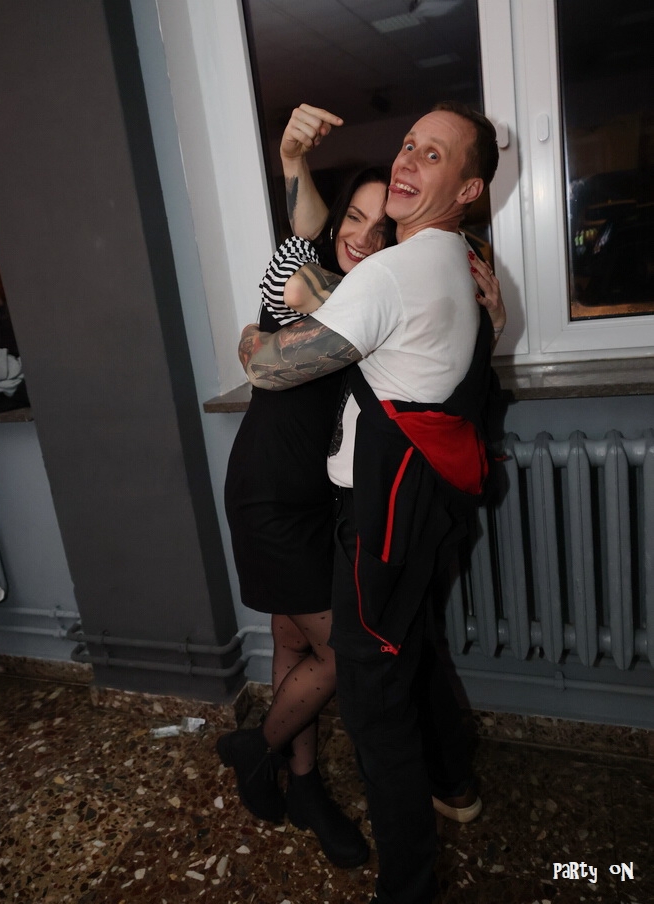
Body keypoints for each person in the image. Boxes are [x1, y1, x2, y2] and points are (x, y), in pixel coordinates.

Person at [238, 101, 502, 904]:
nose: (408, 161)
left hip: (361, 504)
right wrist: (292, 164)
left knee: (358, 676)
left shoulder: (386, 278)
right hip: (290, 488)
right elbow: (307, 241)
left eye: (434, 154)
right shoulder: (415, 266)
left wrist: (250, 342)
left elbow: (269, 361)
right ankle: (297, 768)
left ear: (468, 189)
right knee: (339, 650)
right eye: (406, 146)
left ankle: (291, 774)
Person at [219, 159, 396, 869]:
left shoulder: (374, 303)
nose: (363, 236)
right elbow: (293, 264)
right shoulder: (306, 282)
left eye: (382, 229)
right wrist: (294, 164)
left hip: (316, 499)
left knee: (294, 643)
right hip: (266, 493)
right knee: (341, 651)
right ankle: (255, 747)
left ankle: (304, 786)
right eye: (354, 216)